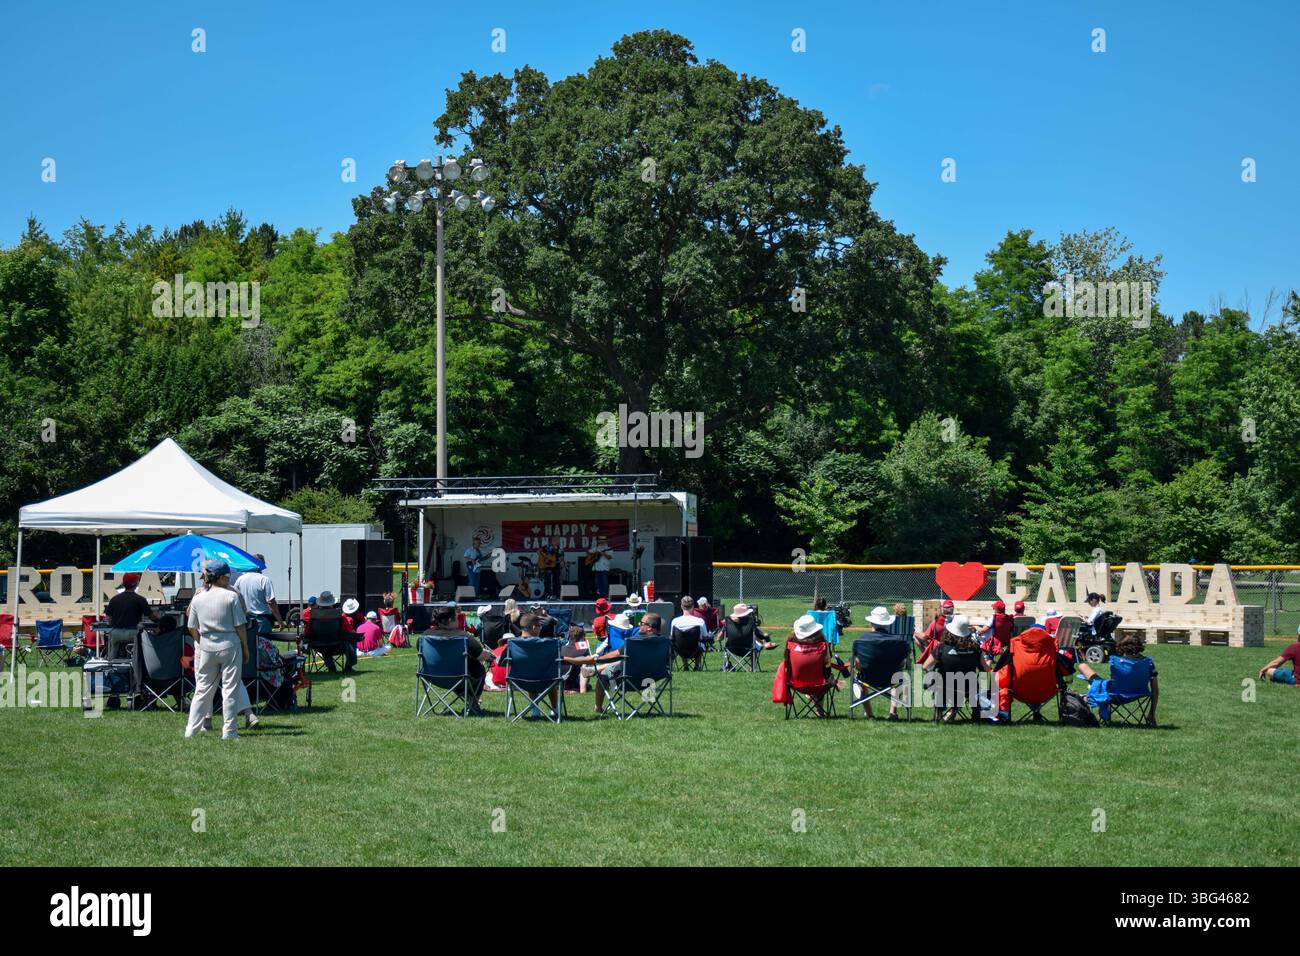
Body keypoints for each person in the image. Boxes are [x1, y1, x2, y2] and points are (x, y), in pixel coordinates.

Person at [184, 559, 250, 740]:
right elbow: (240, 626)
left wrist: (201, 641)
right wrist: (245, 648)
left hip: (206, 646)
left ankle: (191, 729)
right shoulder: (231, 596)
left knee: (202, 689)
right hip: (230, 644)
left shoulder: (197, 598)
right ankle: (229, 731)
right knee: (230, 690)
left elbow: (191, 627)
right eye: (227, 576)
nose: (229, 579)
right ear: (220, 577)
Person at [1076, 633, 1159, 724]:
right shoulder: (1148, 663)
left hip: (1115, 696)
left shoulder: (1118, 662)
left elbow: (1113, 682)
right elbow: (1155, 689)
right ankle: (1086, 696)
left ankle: (1084, 697)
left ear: (1122, 647)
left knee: (1082, 666)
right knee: (1102, 683)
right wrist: (1152, 713)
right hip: (1138, 694)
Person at [428, 604, 493, 713]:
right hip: (458, 677)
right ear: (450, 620)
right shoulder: (463, 637)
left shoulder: (425, 636)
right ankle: (473, 702)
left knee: (464, 671)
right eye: (456, 618)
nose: (459, 620)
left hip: (433, 677)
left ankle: (471, 701)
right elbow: (481, 656)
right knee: (479, 670)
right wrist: (489, 655)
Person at [106, 572, 159, 661]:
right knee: (140, 649)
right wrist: (160, 619)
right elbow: (152, 617)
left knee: (113, 651)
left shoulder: (114, 599)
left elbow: (109, 618)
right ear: (135, 584)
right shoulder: (140, 599)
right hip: (133, 633)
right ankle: (137, 664)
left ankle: (111, 663)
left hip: (116, 633)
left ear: (123, 583)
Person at [303, 591, 356, 673]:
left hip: (318, 646)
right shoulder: (340, 616)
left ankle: (331, 666)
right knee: (351, 641)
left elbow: (306, 632)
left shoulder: (313, 617)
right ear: (332, 603)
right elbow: (348, 631)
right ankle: (348, 667)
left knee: (325, 644)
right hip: (337, 645)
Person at [232, 555, 283, 640]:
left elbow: (234, 597)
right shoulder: (264, 579)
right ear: (261, 565)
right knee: (263, 647)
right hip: (262, 621)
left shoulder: (240, 579)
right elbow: (271, 602)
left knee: (250, 647)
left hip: (246, 620)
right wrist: (280, 620)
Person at [914, 599, 955, 665]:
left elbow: (925, 637)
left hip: (938, 648)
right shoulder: (957, 621)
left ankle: (928, 658)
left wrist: (914, 633)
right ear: (952, 609)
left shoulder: (936, 622)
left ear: (943, 609)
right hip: (953, 647)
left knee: (916, 639)